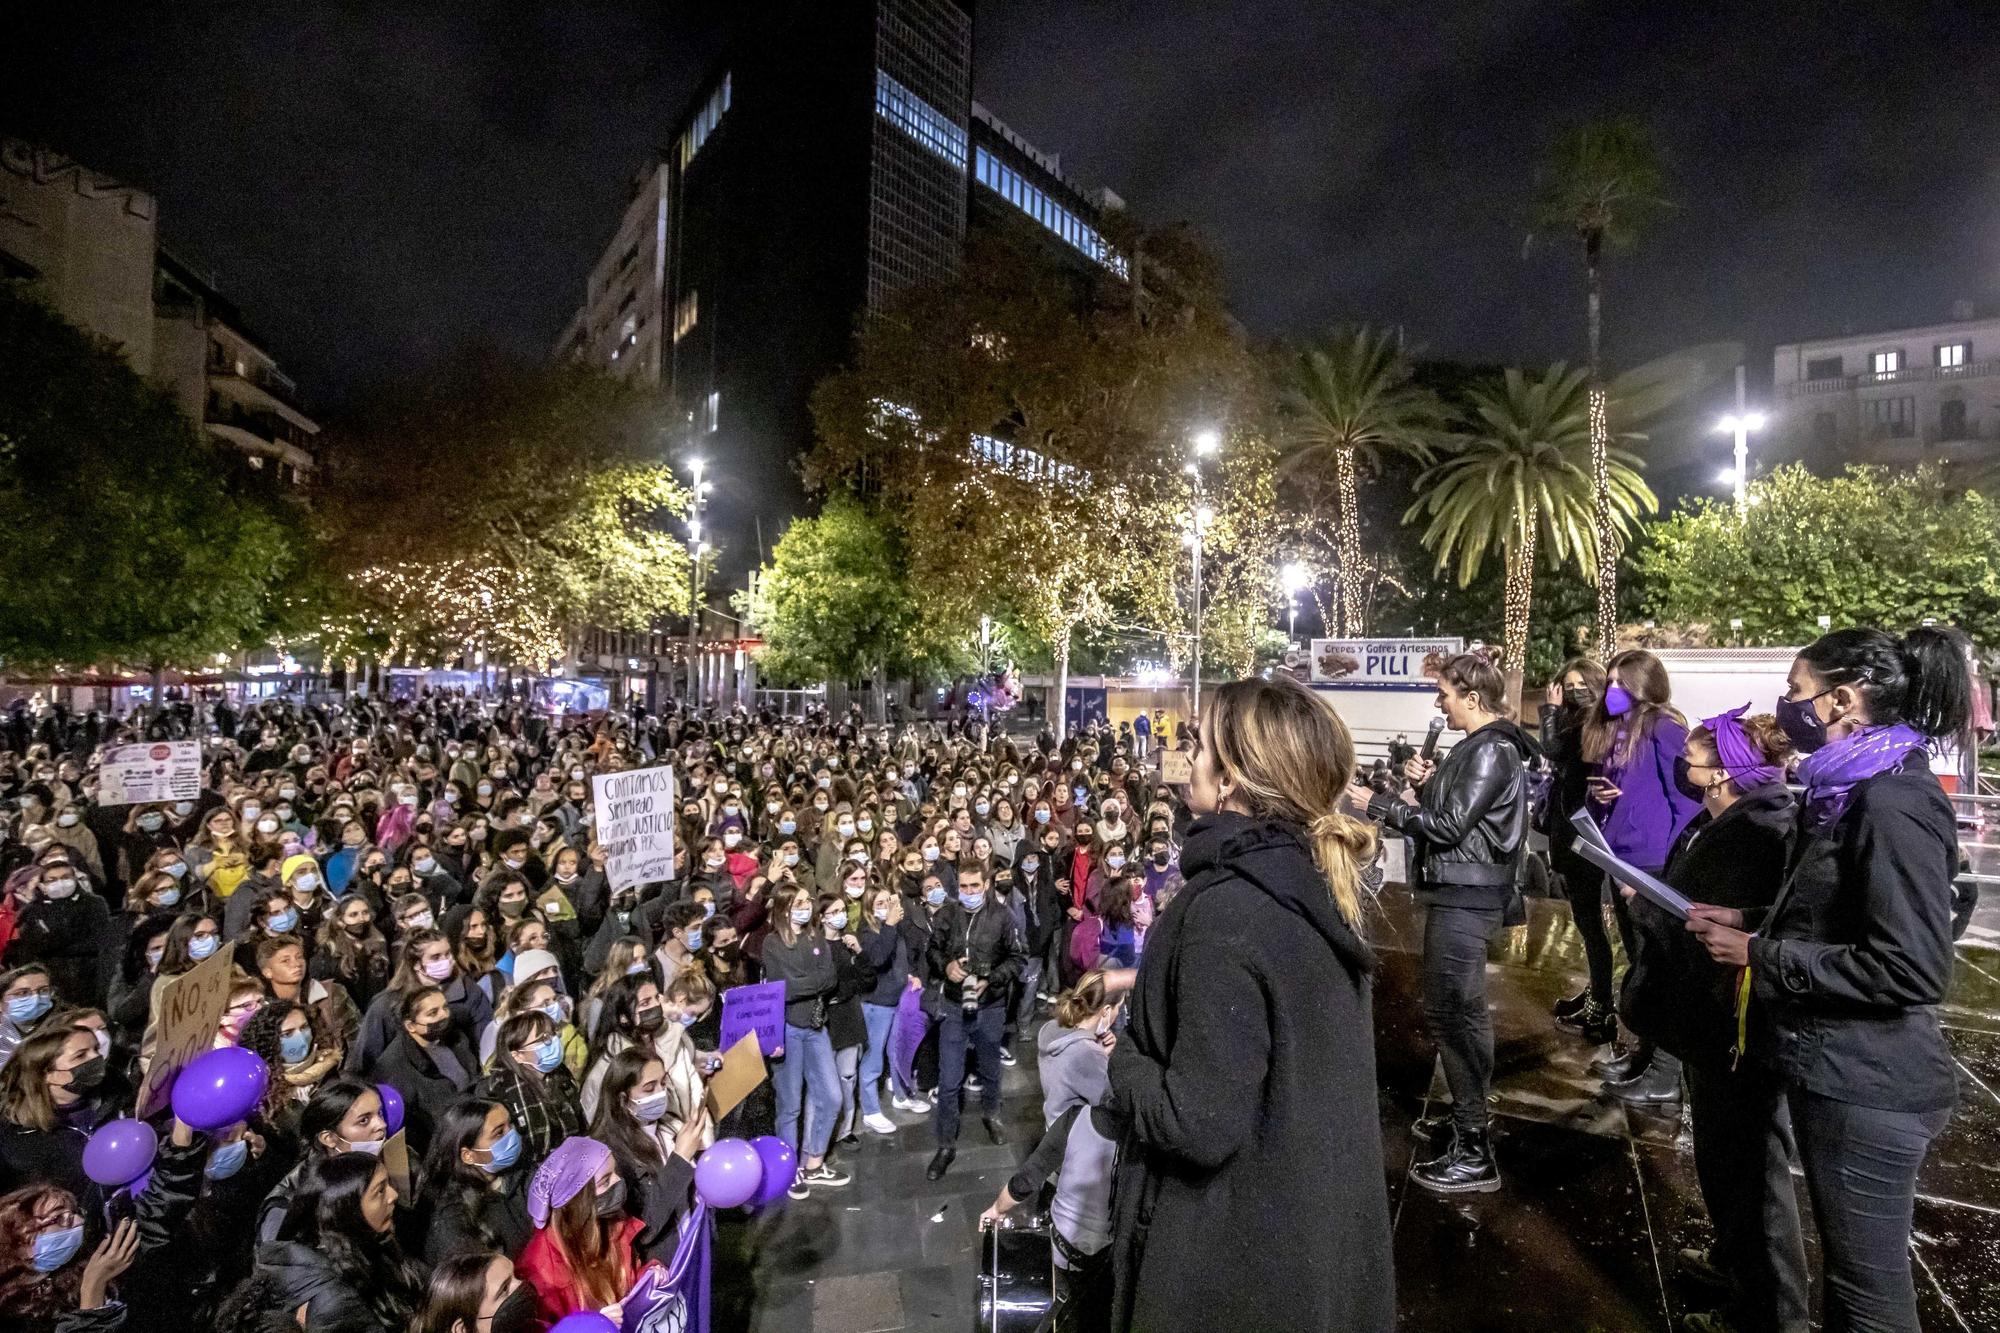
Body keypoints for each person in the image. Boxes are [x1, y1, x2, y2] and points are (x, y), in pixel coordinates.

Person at [1686, 627, 1969, 1333]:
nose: (1785, 706)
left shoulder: (1892, 800)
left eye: (1794, 691)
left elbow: (1910, 965)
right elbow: (1831, 915)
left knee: (1871, 1304)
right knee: (1850, 1290)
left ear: (1841, 700)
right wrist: (1750, 918)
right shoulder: (1846, 789)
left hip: (1870, 1084)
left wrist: (1761, 954)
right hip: (1837, 1067)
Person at [1109, 674, 1392, 1333]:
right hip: (1305, 1253)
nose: (1190, 755)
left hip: (1229, 1270)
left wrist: (1125, 1059)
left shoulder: (1226, 914)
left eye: (1201, 743)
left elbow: (1196, 1121)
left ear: (1231, 775)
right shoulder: (1315, 886)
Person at [1618, 708, 1805, 1333]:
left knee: (1750, 1169)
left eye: (1694, 759)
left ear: (1722, 772)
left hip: (1737, 1024)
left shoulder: (1758, 829)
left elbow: (1725, 915)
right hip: (1708, 1020)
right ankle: (1734, 1263)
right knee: (1722, 1159)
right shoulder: (1722, 818)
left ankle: (1766, 1313)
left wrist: (1652, 906)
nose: (1685, 766)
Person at [1364, 653, 1533, 1193]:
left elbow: (1448, 827)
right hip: (1462, 894)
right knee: (1460, 1013)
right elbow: (1456, 816)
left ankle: (1474, 1147)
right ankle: (1468, 1117)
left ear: (1472, 697)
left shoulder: (1492, 751)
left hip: (1467, 899)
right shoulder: (1479, 750)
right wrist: (1428, 783)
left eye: (1445, 694)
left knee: (1453, 1017)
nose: (1439, 703)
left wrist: (1383, 804)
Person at [1582, 649, 1701, 1096]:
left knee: (1661, 971)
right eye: (1609, 681)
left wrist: (1665, 874)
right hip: (1623, 858)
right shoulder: (1620, 730)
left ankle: (1664, 1075)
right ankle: (1644, 1058)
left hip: (1651, 866)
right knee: (1642, 967)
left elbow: (1685, 802)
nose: (1609, 691)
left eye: (1619, 683)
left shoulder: (1663, 726)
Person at [924, 859, 1025, 1181]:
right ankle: (945, 1144)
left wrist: (992, 978)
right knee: (949, 1078)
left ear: (986, 884)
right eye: (963, 887)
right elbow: (932, 950)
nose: (969, 892)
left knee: (989, 1069)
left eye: (974, 886)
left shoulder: (1002, 916)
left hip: (990, 1005)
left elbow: (1018, 957)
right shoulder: (947, 915)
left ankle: (992, 1115)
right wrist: (947, 966)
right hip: (954, 1005)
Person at [253, 1152, 428, 1333]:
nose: (393, 1195)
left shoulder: (371, 1246)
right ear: (348, 1211)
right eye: (380, 1191)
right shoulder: (334, 1302)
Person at [1539, 657, 1615, 1042]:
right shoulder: (1584, 720)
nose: (1572, 692)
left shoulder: (1594, 722)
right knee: (1587, 926)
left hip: (1584, 833)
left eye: (1579, 685)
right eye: (1566, 686)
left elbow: (1552, 748)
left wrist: (1549, 711)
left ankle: (1602, 1006)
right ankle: (1598, 992)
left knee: (1591, 925)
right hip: (1572, 830)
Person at [759, 883, 850, 1196]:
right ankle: (788, 1169)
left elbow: (831, 979)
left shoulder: (816, 937)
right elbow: (783, 987)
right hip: (787, 1029)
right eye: (798, 902)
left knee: (832, 1096)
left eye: (807, 901)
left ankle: (813, 1161)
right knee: (790, 1105)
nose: (806, 906)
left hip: (815, 1025)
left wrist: (802, 984)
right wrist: (810, 984)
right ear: (785, 908)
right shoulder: (772, 943)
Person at [588, 1049, 709, 1264]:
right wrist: (680, 1158)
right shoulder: (610, 1153)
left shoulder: (668, 1127)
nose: (661, 1092)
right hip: (659, 1268)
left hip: (689, 1248)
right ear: (623, 1098)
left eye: (663, 1083)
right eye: (649, 1088)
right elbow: (645, 1227)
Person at [516, 1136, 638, 1324]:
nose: (619, 1181)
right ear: (576, 1198)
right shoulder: (542, 1273)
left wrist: (651, 1274)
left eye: (615, 1172)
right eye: (605, 1181)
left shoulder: (612, 1224)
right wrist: (590, 1326)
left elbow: (631, 1279)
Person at [418, 1099, 535, 1264]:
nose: (512, 1135)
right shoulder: (454, 1220)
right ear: (468, 1155)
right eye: (499, 1133)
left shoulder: (524, 1171)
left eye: (511, 1125)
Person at [1039, 970, 1117, 1126]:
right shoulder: (1087, 1052)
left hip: (1055, 1124)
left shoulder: (1051, 1029)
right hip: (1076, 1135)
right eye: (1119, 1008)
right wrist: (1102, 1059)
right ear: (1106, 1011)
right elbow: (1107, 1102)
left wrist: (1100, 1052)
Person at [410, 1251, 538, 1333]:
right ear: (462, 1329)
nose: (521, 1285)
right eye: (504, 1289)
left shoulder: (535, 1327)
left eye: (517, 1275)